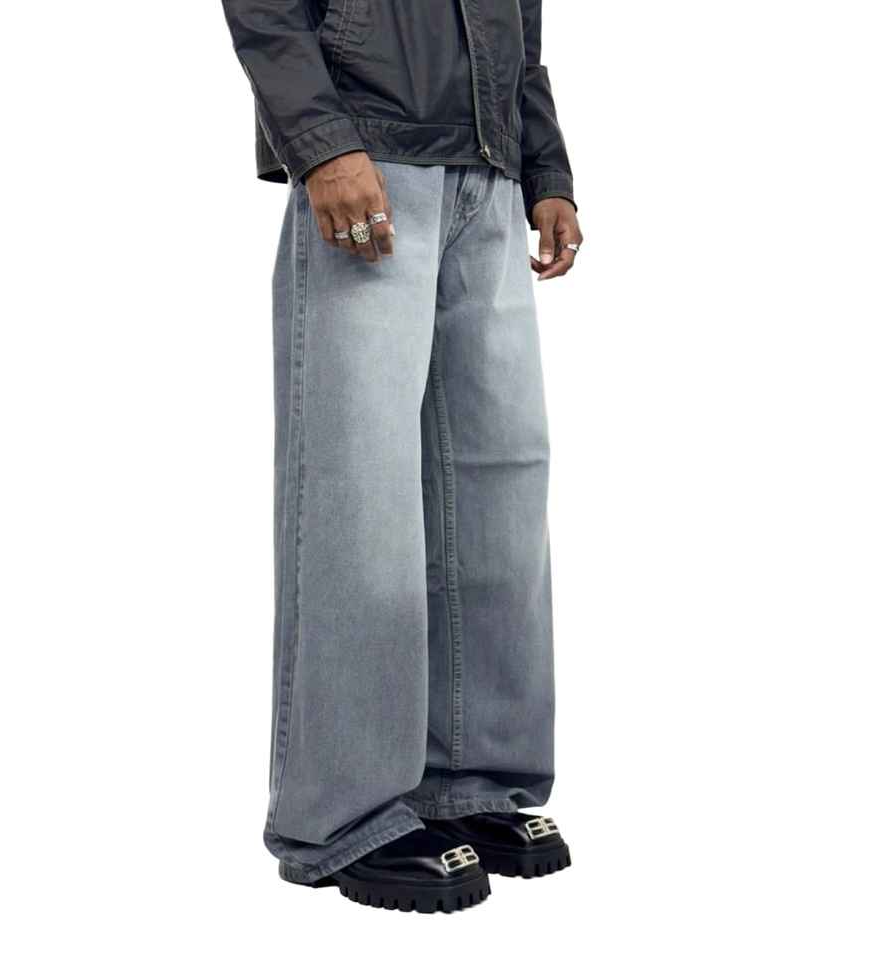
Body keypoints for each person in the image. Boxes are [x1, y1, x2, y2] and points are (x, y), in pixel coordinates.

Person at [221, 0, 583, 913]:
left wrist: (545, 166)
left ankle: (471, 779)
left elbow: (522, 26)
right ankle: (342, 815)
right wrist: (322, 145)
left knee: (499, 489)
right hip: (370, 155)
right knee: (360, 491)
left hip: (488, 172)